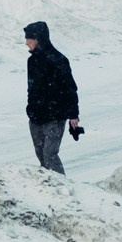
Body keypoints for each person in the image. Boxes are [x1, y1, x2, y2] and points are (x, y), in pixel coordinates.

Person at [23, 20, 81, 174]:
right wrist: (31, 109)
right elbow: (31, 89)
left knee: (50, 155)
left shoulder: (59, 60)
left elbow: (70, 88)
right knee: (41, 156)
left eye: (28, 38)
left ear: (38, 39)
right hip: (36, 116)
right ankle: (49, 190)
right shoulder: (32, 61)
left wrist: (73, 115)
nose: (26, 42)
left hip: (55, 116)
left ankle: (62, 189)